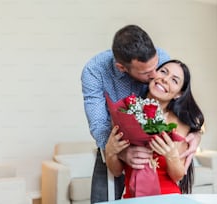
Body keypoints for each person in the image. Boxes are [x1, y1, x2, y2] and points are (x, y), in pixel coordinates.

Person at [81, 25, 201, 203]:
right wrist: (118, 152)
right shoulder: (95, 71)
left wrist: (197, 132)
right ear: (122, 68)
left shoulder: (161, 61)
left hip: (161, 172)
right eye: (147, 72)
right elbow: (99, 125)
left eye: (158, 67)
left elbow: (182, 102)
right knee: (100, 200)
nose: (157, 76)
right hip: (114, 140)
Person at [105, 59, 205, 197]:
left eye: (174, 80)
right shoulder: (126, 111)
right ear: (153, 74)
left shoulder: (180, 124)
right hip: (132, 197)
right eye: (163, 72)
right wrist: (110, 151)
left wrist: (171, 156)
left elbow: (178, 176)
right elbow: (116, 171)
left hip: (168, 197)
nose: (165, 79)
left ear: (178, 94)